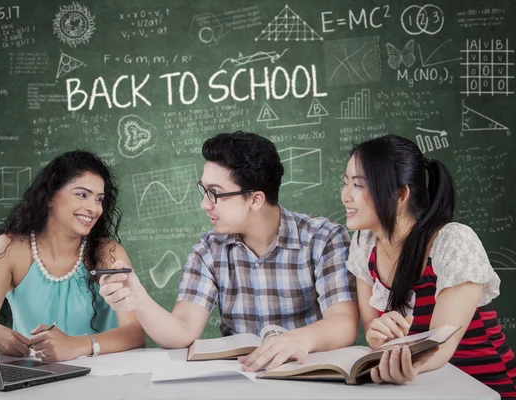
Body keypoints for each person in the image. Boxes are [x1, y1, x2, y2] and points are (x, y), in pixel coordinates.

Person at [99, 131, 358, 372]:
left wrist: (295, 341)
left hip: (306, 373)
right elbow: (182, 331)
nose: (204, 204)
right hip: (241, 378)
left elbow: (343, 323)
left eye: (215, 193)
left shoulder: (323, 238)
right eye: (204, 191)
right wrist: (139, 299)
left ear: (256, 199)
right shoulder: (208, 250)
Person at [342, 134, 516, 396]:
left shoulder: (452, 242)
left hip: (486, 387)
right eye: (345, 183)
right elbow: (375, 335)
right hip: (421, 389)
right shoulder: (363, 245)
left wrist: (409, 362)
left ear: (400, 194)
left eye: (358, 185)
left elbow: (440, 346)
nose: (345, 196)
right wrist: (380, 340)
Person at [0, 150, 145, 362]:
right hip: (34, 380)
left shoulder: (108, 253)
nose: (93, 208)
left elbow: (135, 333)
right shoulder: (10, 247)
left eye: (99, 199)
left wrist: (75, 345)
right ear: (49, 197)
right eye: (82, 194)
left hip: (102, 378)